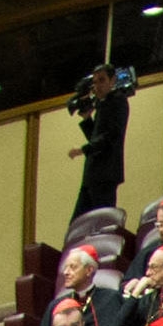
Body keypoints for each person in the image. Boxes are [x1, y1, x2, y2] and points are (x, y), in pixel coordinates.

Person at [69, 63, 131, 223]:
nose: (97, 86)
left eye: (101, 80)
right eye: (95, 82)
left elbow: (111, 137)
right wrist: (87, 119)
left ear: (113, 80)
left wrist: (83, 149)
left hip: (105, 174)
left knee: (102, 223)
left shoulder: (117, 101)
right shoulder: (102, 104)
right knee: (78, 225)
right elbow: (95, 137)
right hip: (93, 174)